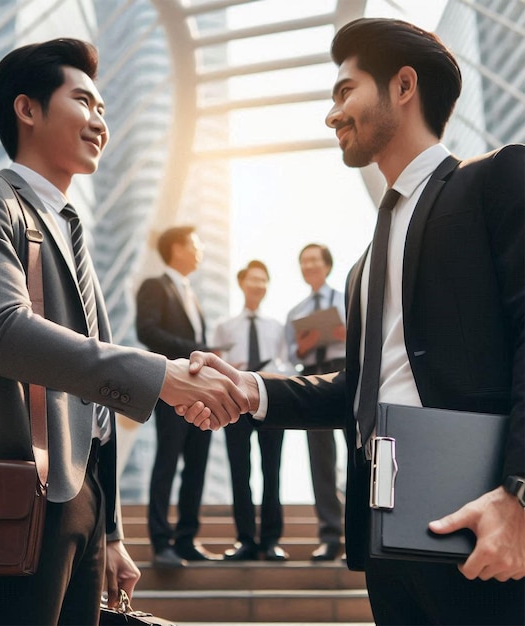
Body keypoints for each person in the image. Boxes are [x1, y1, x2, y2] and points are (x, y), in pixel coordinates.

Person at [184, 17, 525, 625]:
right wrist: (254, 390)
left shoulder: (495, 182)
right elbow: (359, 392)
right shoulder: (365, 261)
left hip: (485, 519)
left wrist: (519, 496)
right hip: (387, 531)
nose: (331, 113)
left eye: (344, 91)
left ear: (403, 86)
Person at [0, 39, 247, 625]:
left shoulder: (74, 231)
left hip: (83, 506)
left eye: (104, 109)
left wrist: (112, 530)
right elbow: (2, 334)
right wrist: (160, 376)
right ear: (27, 110)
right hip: (16, 492)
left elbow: (94, 403)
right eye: (84, 103)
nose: (101, 122)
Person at [136, 226, 221, 567]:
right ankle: (161, 542)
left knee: (197, 464)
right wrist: (196, 351)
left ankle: (186, 539)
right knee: (168, 460)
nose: (201, 248)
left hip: (201, 391)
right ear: (177, 248)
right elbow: (148, 331)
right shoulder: (155, 286)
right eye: (196, 243)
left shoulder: (191, 292)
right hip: (171, 387)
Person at [214, 260, 289, 561]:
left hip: (272, 399)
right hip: (236, 401)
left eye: (263, 280)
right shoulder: (225, 327)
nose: (258, 285)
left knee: (272, 471)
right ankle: (245, 539)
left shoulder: (278, 328)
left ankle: (271, 541)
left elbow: (288, 363)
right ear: (242, 283)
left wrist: (275, 372)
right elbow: (215, 363)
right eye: (253, 279)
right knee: (239, 471)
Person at [285, 243, 345, 561]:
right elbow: (290, 353)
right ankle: (330, 535)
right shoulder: (297, 312)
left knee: (360, 451)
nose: (308, 265)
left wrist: (344, 333)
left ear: (326, 264)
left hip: (345, 371)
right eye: (303, 260)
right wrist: (304, 345)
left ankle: (360, 530)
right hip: (311, 376)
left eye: (313, 259)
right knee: (319, 457)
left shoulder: (347, 299)